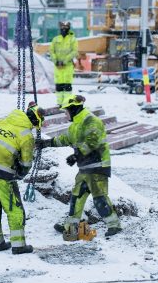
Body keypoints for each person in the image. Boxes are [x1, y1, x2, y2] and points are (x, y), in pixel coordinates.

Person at [38, 94, 121, 240]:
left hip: (98, 166)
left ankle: (114, 225)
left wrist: (77, 156)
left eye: (66, 111)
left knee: (99, 198)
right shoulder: (76, 124)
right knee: (77, 197)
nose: (65, 114)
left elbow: (93, 141)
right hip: (85, 168)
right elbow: (65, 139)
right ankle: (70, 227)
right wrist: (47, 143)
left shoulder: (91, 121)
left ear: (73, 109)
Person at [0, 102, 44, 254]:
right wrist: (20, 173)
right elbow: (26, 162)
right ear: (35, 122)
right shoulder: (26, 136)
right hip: (2, 174)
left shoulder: (4, 120)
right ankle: (19, 245)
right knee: (14, 209)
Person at [49, 21, 78, 106]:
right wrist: (56, 61)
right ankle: (59, 103)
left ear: (69, 28)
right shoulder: (56, 39)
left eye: (66, 27)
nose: (64, 29)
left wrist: (65, 61)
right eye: (62, 27)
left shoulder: (72, 39)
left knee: (67, 85)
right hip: (58, 67)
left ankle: (67, 103)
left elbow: (74, 51)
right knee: (59, 85)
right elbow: (51, 51)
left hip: (68, 66)